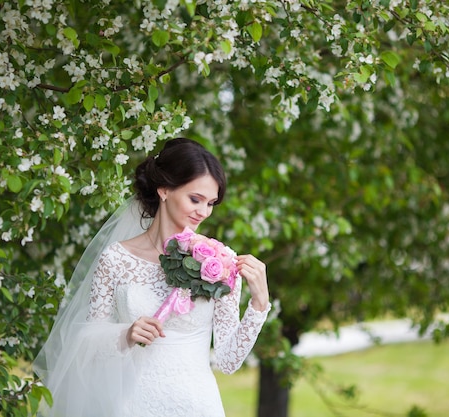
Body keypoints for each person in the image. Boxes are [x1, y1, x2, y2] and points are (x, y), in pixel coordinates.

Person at [33, 138, 271, 417]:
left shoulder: (220, 262)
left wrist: (259, 303)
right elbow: (87, 347)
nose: (204, 212)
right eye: (195, 199)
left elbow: (229, 361)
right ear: (164, 190)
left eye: (211, 203)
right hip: (132, 406)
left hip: (197, 406)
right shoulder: (116, 259)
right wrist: (125, 334)